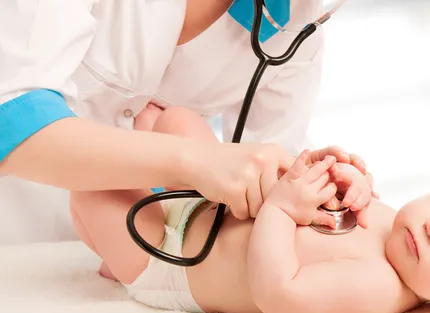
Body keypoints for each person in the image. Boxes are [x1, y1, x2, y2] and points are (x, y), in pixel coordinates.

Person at [71, 106, 430, 313]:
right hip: (214, 209)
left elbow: (278, 292)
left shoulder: (381, 287)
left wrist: (280, 208)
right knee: (178, 120)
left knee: (88, 196)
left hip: (178, 261)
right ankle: (153, 167)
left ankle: (117, 263)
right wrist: (334, 174)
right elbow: (323, 208)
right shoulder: (393, 225)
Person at [0, 0, 370, 245]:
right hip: (16, 230)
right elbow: (12, 114)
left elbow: (274, 190)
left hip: (126, 265)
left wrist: (325, 188)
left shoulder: (298, 23)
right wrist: (196, 162)